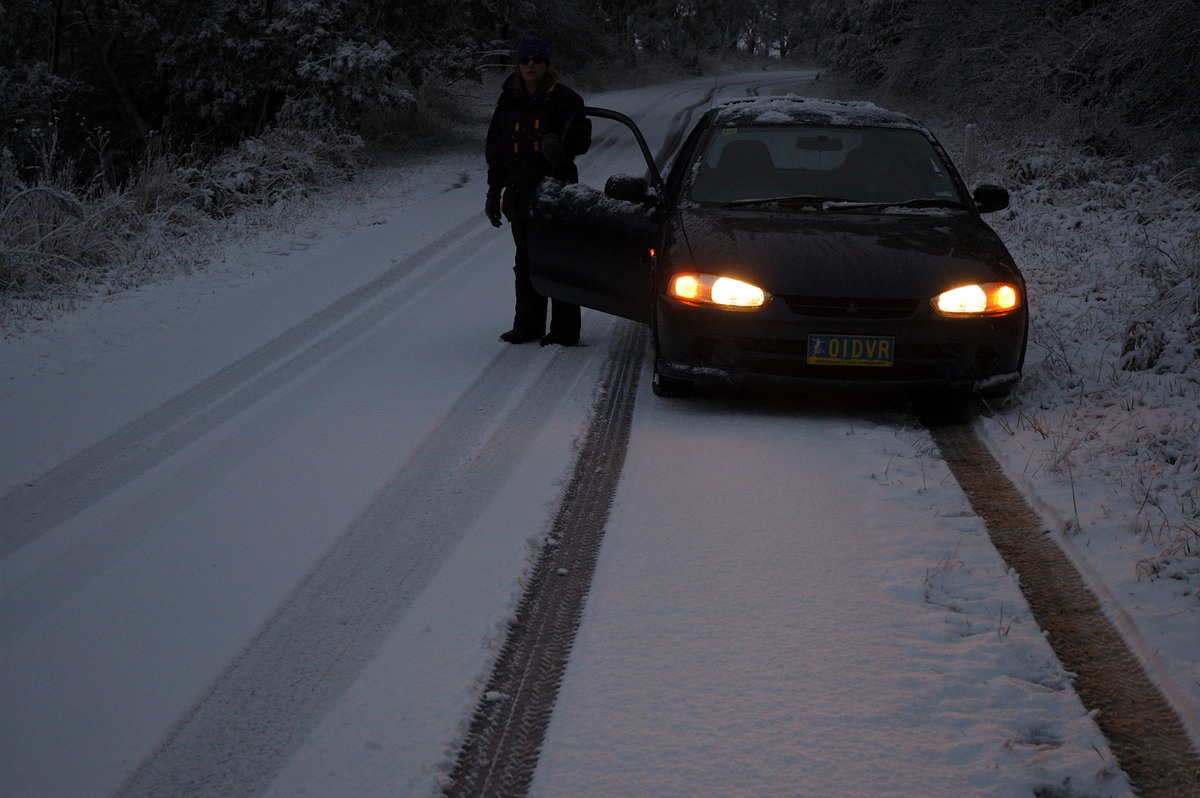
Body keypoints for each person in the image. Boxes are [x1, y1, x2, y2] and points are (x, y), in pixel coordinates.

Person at [485, 35, 592, 346]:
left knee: (558, 259)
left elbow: (582, 140)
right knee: (526, 260)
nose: (531, 65)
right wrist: (494, 191)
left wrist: (560, 148)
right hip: (519, 190)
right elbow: (497, 148)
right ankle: (528, 326)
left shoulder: (565, 99)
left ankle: (564, 330)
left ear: (547, 64)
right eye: (525, 60)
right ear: (518, 65)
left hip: (556, 189)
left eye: (537, 60)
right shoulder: (508, 101)